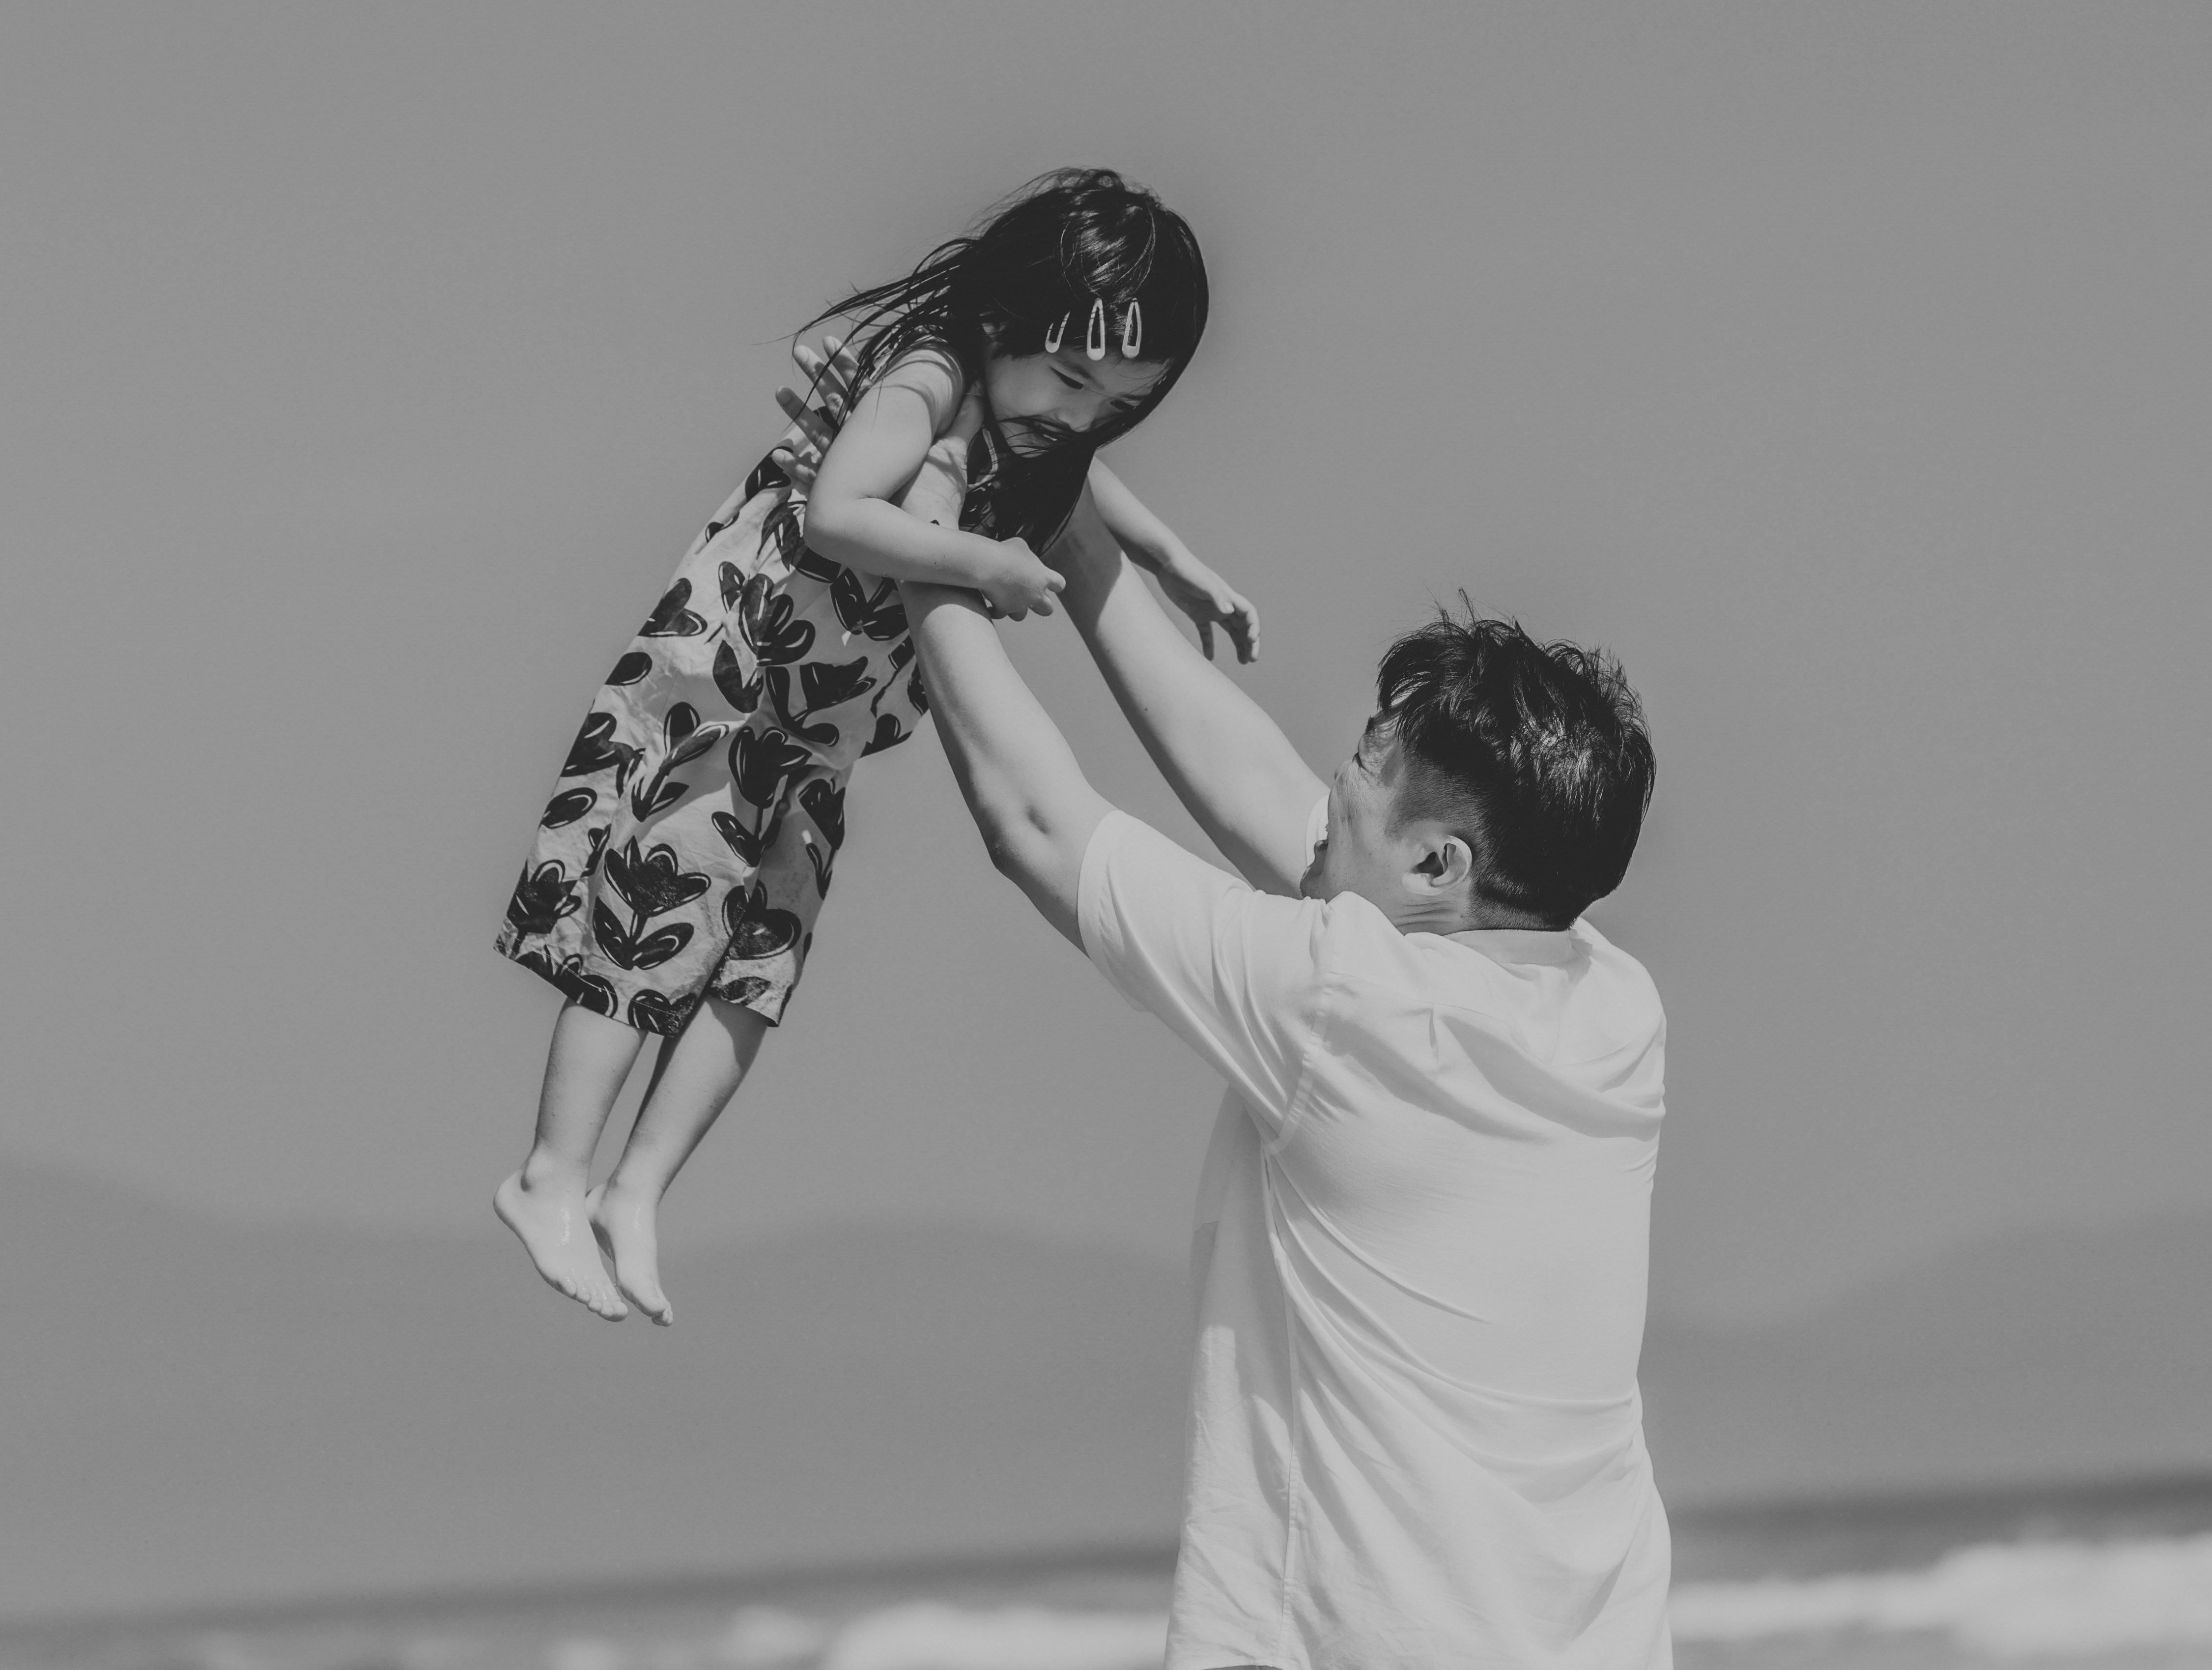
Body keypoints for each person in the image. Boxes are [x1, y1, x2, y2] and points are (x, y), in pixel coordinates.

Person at [886, 440, 1673, 1670]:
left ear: (1439, 866)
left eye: (1365, 762)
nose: (1333, 784)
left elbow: (1037, 821)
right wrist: (1078, 532)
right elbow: (1266, 800)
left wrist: (914, 548)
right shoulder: (1611, 1007)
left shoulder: (1346, 1006)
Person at [491, 171, 1258, 1324]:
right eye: (1070, 376)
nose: (1084, 413)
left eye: (1118, 401)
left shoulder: (1033, 424)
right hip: (728, 688)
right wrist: (977, 562)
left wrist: (1170, 559)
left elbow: (1089, 486)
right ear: (1004, 321)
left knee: (756, 967)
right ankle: (552, 1169)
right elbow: (837, 512)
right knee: (646, 927)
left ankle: (636, 1185)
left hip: (814, 738)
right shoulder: (932, 374)